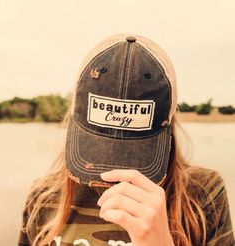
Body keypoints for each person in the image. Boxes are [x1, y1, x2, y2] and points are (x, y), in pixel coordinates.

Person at [18, 33, 234, 246]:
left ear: (168, 121)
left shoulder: (204, 194)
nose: (115, 169)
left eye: (134, 149)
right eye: (100, 144)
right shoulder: (43, 199)